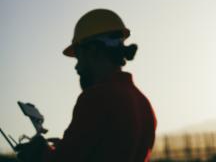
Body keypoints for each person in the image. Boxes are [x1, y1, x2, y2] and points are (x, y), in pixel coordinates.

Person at [16, 9, 157, 162]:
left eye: (78, 57)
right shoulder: (144, 104)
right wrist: (66, 146)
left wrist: (37, 153)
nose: (77, 67)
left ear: (92, 50)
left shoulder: (96, 98)